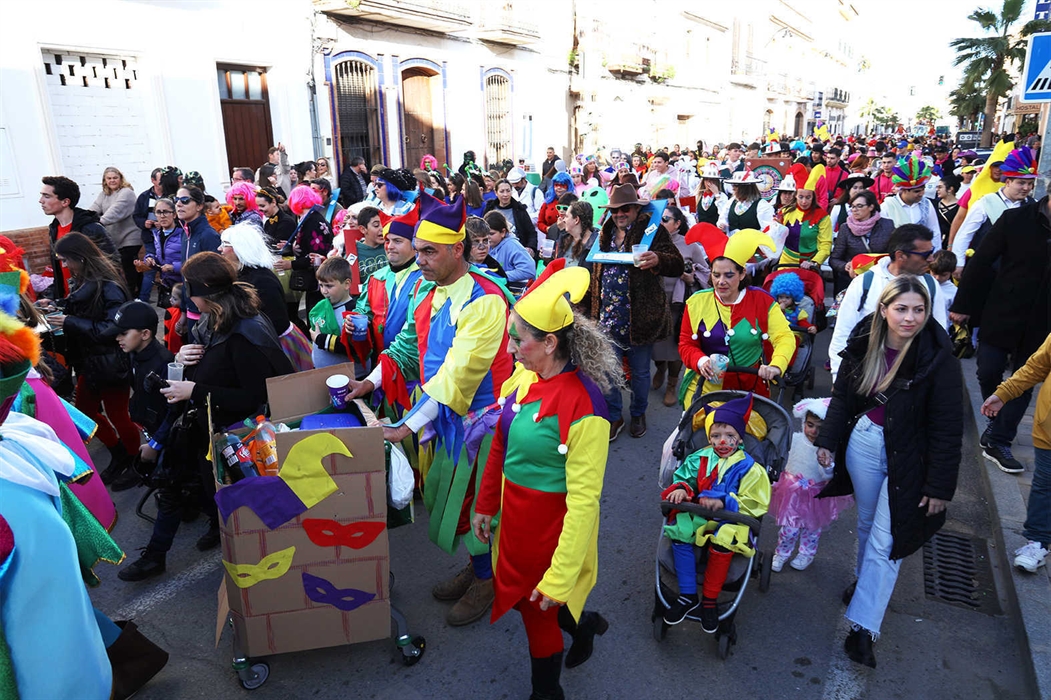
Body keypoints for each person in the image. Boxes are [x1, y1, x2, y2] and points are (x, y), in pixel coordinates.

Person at [348, 194, 513, 628]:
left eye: (428, 251)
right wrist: (370, 381)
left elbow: (459, 375)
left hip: (478, 422)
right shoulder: (427, 286)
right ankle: (480, 568)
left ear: (458, 250)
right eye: (417, 250)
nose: (418, 260)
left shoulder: (486, 300)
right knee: (447, 501)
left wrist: (404, 425)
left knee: (473, 504)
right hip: (437, 413)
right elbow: (405, 344)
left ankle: (487, 578)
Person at [473, 264, 616, 700]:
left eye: (519, 339)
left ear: (550, 342)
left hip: (550, 532)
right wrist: (485, 504)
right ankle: (584, 623)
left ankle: (546, 693)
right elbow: (500, 442)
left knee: (538, 609)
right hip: (514, 522)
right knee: (525, 600)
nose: (510, 347)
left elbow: (585, 502)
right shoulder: (523, 378)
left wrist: (561, 574)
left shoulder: (586, 407)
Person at [816, 276, 962, 669]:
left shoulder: (939, 357)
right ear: (884, 310)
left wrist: (939, 485)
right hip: (864, 443)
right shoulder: (865, 342)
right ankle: (867, 586)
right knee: (867, 525)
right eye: (902, 309)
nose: (910, 318)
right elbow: (843, 399)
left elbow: (949, 427)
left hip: (911, 456)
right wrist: (827, 441)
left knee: (887, 539)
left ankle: (864, 630)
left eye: (919, 310)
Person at [151, 253, 294, 561]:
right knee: (216, 495)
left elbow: (253, 398)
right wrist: (183, 358)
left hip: (241, 442)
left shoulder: (244, 332)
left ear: (203, 293)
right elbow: (215, 364)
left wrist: (194, 390)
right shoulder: (214, 321)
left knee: (246, 510)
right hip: (213, 432)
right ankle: (222, 531)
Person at [951, 186, 1051, 474]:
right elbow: (981, 262)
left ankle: (999, 439)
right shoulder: (1014, 219)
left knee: (1025, 378)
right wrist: (964, 304)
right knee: (987, 370)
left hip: (1043, 322)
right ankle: (996, 413)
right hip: (1002, 311)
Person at [581, 185, 684, 440]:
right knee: (608, 371)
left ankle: (638, 413)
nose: (620, 214)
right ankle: (615, 415)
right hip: (607, 317)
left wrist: (658, 259)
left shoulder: (652, 231)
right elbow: (593, 272)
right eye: (615, 210)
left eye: (625, 208)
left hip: (639, 318)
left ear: (636, 209)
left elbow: (678, 264)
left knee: (639, 373)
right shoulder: (603, 234)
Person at [660, 394, 771, 630]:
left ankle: (710, 599)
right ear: (709, 438)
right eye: (716, 436)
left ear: (740, 439)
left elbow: (754, 501)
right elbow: (685, 477)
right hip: (699, 511)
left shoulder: (750, 468)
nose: (722, 441)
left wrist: (725, 502)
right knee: (681, 526)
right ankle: (689, 594)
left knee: (726, 537)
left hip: (731, 517)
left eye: (730, 436)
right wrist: (681, 489)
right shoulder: (699, 458)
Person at [38, 233, 138, 485]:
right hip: (90, 362)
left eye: (65, 260)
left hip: (111, 363)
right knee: (84, 413)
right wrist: (56, 304)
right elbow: (80, 306)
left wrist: (70, 321)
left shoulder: (109, 285)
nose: (64, 265)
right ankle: (119, 453)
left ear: (80, 258)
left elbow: (110, 328)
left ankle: (137, 462)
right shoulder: (86, 279)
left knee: (119, 416)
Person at [677, 226, 794, 406]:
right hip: (703, 388)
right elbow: (686, 343)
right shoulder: (696, 302)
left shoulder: (762, 301)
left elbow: (784, 337)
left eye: (729, 275)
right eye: (716, 275)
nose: (721, 281)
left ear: (742, 274)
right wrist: (701, 361)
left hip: (748, 388)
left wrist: (776, 365)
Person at [829, 224, 947, 379]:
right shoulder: (865, 282)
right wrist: (838, 376)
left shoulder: (931, 285)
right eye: (926, 254)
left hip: (914, 377)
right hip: (866, 375)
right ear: (900, 256)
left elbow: (940, 336)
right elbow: (843, 332)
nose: (932, 260)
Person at [982, 333, 1051, 572]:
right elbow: (1035, 367)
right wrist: (1003, 393)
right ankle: (1038, 543)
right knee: (1044, 485)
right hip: (1049, 430)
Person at [769, 397, 852, 571]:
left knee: (811, 529)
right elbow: (784, 457)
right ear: (803, 423)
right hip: (791, 493)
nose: (813, 431)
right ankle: (782, 553)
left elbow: (828, 475)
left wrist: (827, 465)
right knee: (788, 529)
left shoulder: (828, 449)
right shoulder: (795, 439)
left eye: (820, 428)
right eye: (810, 425)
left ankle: (806, 553)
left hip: (815, 495)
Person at [219, 222, 313, 372]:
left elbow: (276, 323)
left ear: (240, 248)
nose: (220, 249)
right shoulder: (243, 275)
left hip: (277, 348)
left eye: (225, 244)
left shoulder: (262, 281)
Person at [350, 205, 431, 376]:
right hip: (380, 368)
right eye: (387, 241)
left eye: (398, 241)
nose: (390, 246)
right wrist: (352, 321)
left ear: (414, 245)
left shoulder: (426, 279)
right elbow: (362, 311)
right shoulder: (376, 278)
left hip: (415, 371)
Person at [106, 301, 174, 496]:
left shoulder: (164, 363)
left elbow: (173, 411)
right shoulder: (133, 353)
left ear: (145, 334)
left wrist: (155, 444)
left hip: (164, 435)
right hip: (148, 425)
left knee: (168, 483)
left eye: (124, 333)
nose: (118, 338)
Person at [652, 206, 709, 407]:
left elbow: (705, 273)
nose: (661, 222)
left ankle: (671, 385)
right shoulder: (650, 241)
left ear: (677, 224)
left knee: (675, 346)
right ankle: (660, 368)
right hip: (655, 300)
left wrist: (690, 277)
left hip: (679, 302)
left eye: (666, 219)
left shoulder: (690, 245)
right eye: (659, 218)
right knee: (656, 345)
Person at [950, 146, 1036, 274]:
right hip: (986, 268)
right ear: (1008, 182)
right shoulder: (985, 203)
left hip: (1017, 270)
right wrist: (959, 263)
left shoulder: (1033, 205)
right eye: (1021, 183)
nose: (1026, 188)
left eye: (1030, 184)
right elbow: (965, 233)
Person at [41, 176, 117, 297]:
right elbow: (59, 270)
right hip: (70, 300)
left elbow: (112, 264)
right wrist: (54, 297)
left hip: (92, 300)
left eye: (47, 196)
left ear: (65, 202)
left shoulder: (90, 228)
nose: (41, 201)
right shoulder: (54, 229)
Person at [275, 185, 333, 313]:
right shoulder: (312, 217)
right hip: (317, 279)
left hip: (317, 280)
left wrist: (291, 264)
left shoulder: (311, 221)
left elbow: (315, 256)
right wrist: (290, 246)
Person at [174, 186, 222, 337]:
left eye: (185, 200)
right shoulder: (185, 233)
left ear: (200, 206)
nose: (178, 205)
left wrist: (209, 311)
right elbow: (185, 277)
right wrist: (183, 311)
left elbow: (216, 280)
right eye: (176, 200)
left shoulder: (208, 235)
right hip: (190, 311)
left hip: (206, 313)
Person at [829, 190, 895, 293]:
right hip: (853, 280)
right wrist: (845, 266)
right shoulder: (845, 228)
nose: (854, 210)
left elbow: (894, 254)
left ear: (871, 207)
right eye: (853, 206)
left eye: (859, 206)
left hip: (881, 280)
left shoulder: (887, 225)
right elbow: (834, 259)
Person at [89, 167, 142, 297]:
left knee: (128, 264)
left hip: (130, 236)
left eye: (115, 178)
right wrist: (85, 219)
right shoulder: (104, 195)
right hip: (115, 237)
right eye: (109, 178)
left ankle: (134, 293)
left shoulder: (126, 192)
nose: (112, 180)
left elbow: (116, 210)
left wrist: (99, 222)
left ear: (120, 178)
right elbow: (94, 208)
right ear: (105, 180)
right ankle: (132, 291)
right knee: (125, 266)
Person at [880, 157, 941, 249]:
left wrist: (935, 254)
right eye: (916, 191)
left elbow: (934, 231)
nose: (921, 194)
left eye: (923, 190)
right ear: (904, 190)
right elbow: (882, 235)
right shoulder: (887, 206)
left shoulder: (927, 204)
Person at [779, 167, 832, 270]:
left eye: (808, 197)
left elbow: (826, 244)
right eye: (801, 197)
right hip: (786, 261)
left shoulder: (822, 216)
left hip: (809, 263)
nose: (804, 202)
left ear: (813, 197)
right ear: (795, 196)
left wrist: (814, 262)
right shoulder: (785, 211)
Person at [308, 256, 355, 369]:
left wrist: (319, 339)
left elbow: (353, 347)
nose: (324, 291)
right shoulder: (322, 306)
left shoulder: (353, 311)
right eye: (321, 285)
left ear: (347, 284)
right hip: (324, 373)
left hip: (350, 376)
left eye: (329, 286)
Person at [138, 197, 183, 305]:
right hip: (167, 286)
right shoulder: (158, 234)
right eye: (158, 212)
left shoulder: (183, 234)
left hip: (182, 285)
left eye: (166, 212)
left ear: (174, 214)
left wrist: (173, 267)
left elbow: (192, 261)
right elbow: (160, 257)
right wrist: (150, 259)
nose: (162, 215)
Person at [483, 178, 539, 256]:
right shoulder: (490, 208)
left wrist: (531, 248)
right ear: (496, 192)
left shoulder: (520, 210)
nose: (505, 194)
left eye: (508, 191)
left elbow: (531, 233)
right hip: (493, 252)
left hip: (516, 252)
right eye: (502, 191)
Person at [485, 210, 535, 295]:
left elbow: (529, 270)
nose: (487, 237)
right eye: (485, 234)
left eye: (491, 234)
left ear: (503, 232)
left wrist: (500, 276)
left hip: (516, 292)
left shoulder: (512, 245)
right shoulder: (488, 245)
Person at [718, 170, 774, 236]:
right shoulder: (731, 202)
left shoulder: (762, 205)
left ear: (746, 188)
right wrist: (723, 225)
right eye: (733, 184)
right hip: (732, 243)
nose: (733, 188)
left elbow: (767, 229)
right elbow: (723, 218)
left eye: (736, 185)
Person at [554, 200, 597, 267]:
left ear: (576, 220)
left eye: (567, 216)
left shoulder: (595, 245)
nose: (564, 220)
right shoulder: (565, 238)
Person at [353, 206, 391, 284]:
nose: (382, 228)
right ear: (363, 229)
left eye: (383, 223)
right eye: (376, 225)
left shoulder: (391, 246)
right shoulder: (353, 252)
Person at [463, 215, 508, 279]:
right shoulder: (457, 270)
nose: (482, 247)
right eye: (476, 242)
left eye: (485, 241)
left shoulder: (497, 270)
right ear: (465, 243)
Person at [927, 250, 958, 321]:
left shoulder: (953, 291)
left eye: (943, 275)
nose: (937, 278)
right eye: (934, 273)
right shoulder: (924, 282)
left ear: (952, 272)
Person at [933, 173, 961, 251]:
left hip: (951, 244)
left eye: (940, 187)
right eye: (937, 187)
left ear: (950, 189)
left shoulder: (960, 207)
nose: (937, 190)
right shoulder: (933, 204)